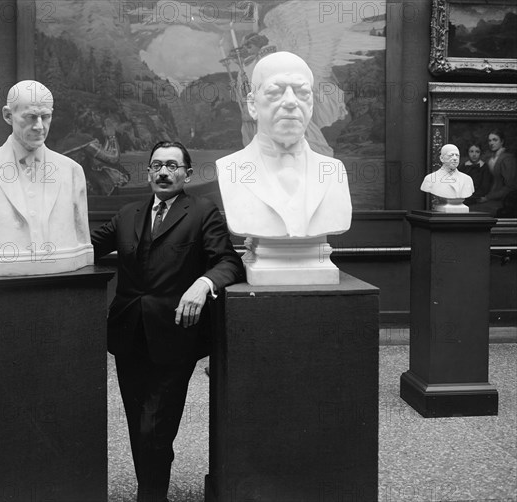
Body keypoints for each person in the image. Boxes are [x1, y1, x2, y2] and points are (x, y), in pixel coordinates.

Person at [91, 141, 244, 502]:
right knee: (137, 420)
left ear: (187, 174)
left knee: (156, 425)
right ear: (148, 172)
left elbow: (229, 262)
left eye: (173, 166)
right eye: (157, 165)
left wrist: (202, 284)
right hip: (128, 334)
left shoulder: (203, 212)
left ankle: (151, 494)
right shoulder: (128, 214)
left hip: (176, 334)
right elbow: (86, 245)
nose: (163, 172)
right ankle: (151, 487)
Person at [0, 80, 93, 275]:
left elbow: (82, 237)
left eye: (46, 116)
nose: (39, 126)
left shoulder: (72, 171)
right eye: (31, 117)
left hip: (63, 280)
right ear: (8, 115)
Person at [216, 51, 352, 238]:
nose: (290, 102)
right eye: (275, 92)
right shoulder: (230, 169)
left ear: (311, 105)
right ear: (252, 105)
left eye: (302, 93)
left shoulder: (333, 171)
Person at [471, 129, 517, 217]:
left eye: (495, 140)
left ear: (502, 141)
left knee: (471, 212)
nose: (491, 143)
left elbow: (510, 186)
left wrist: (488, 197)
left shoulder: (507, 159)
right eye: (489, 140)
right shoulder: (490, 158)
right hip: (488, 197)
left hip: (501, 201)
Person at [459, 142, 492, 206]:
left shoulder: (484, 167)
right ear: (468, 153)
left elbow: (485, 186)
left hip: (477, 198)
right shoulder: (463, 166)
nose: (474, 154)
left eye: (477, 152)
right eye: (471, 151)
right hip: (463, 197)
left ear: (481, 153)